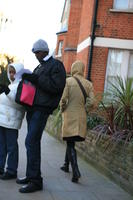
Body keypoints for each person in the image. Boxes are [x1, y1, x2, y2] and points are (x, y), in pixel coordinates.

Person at [16, 39, 66, 193]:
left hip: (41, 109)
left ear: (44, 51)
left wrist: (37, 79)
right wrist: (29, 79)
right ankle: (32, 176)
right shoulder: (41, 66)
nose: (35, 55)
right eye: (34, 53)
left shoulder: (56, 65)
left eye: (37, 52)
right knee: (32, 142)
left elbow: (57, 87)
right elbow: (39, 85)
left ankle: (36, 181)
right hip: (33, 108)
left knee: (31, 141)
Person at [60, 60, 94, 183]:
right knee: (71, 141)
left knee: (70, 142)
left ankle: (76, 171)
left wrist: (62, 109)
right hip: (81, 116)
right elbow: (92, 102)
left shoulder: (68, 81)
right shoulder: (89, 84)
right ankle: (66, 164)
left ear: (74, 68)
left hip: (70, 115)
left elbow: (63, 99)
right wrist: (84, 109)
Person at [0, 63, 26, 180]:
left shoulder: (22, 85)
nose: (11, 74)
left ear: (19, 72)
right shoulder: (11, 85)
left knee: (11, 147)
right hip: (2, 121)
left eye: (14, 72)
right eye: (10, 72)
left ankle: (11, 171)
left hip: (12, 121)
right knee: (1, 146)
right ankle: (0, 168)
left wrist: (7, 92)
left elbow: (20, 103)